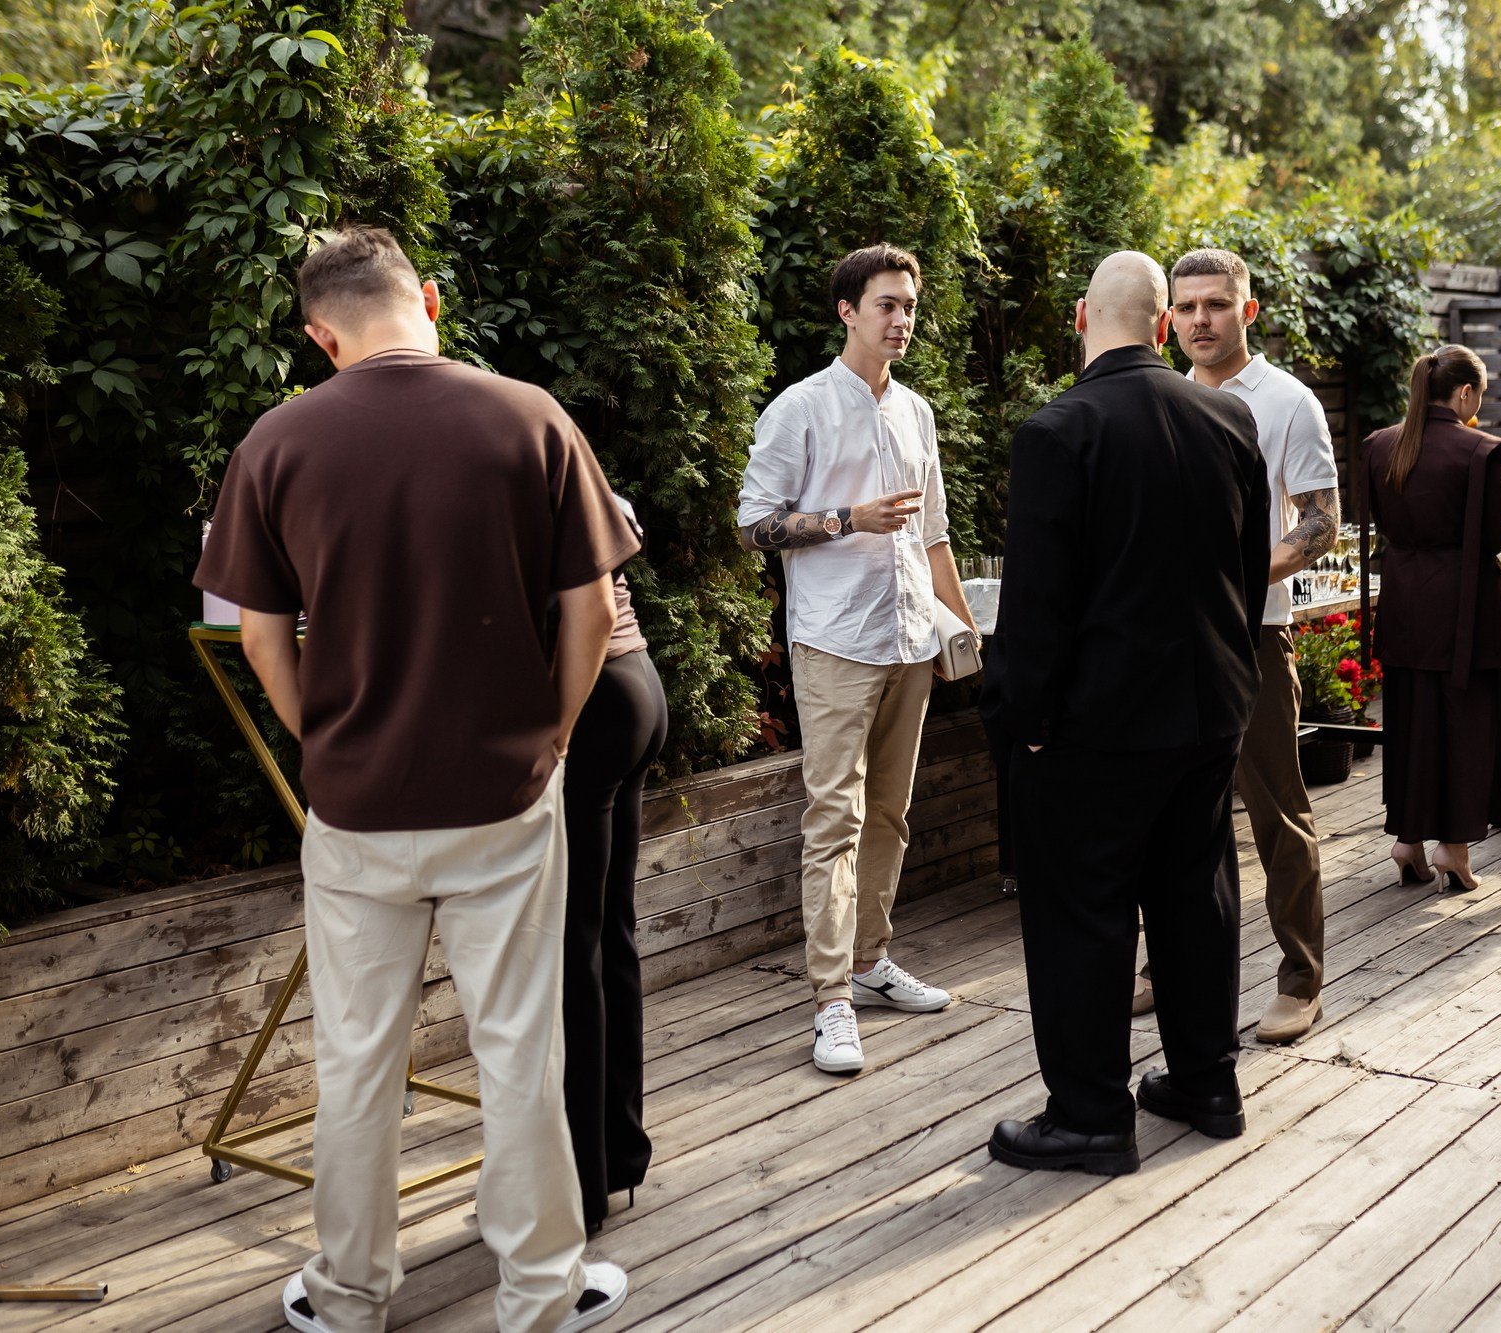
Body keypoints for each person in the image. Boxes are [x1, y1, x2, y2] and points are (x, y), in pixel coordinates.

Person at [193, 228, 628, 1333]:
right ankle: (536, 1297)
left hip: (357, 807)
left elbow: (258, 638)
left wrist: (320, 737)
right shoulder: (529, 416)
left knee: (356, 1064)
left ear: (318, 334)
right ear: (427, 298)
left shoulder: (277, 440)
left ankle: (347, 1298)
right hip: (504, 799)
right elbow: (590, 613)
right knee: (521, 1055)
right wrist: (557, 730)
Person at [985, 251, 1269, 1177]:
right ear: (1160, 323)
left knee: (1081, 914)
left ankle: (1092, 1115)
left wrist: (1022, 720)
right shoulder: (1229, 415)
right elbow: (1247, 559)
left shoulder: (1058, 431)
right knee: (1198, 896)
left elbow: (1035, 606)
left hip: (1096, 729)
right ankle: (1206, 1082)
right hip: (1212, 711)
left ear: (1080, 317)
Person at [736, 243, 981, 1076]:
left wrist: (961, 625)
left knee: (890, 813)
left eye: (909, 305)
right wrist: (847, 519)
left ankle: (873, 960)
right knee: (833, 818)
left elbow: (935, 533)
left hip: (911, 638)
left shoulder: (916, 412)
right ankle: (830, 998)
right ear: (848, 311)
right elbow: (753, 525)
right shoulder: (798, 410)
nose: (902, 319)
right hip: (835, 640)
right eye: (886, 304)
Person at [1163, 246, 1340, 1044]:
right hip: (1164, 638)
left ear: (1248, 311)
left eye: (1216, 305)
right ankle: (1157, 967)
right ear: (1168, 316)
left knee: (1277, 813)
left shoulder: (1287, 402)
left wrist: (1227, 575)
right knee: (1165, 813)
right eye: (1187, 306)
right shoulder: (1159, 396)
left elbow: (1320, 526)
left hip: (1252, 633)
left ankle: (1301, 978)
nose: (1201, 319)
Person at [1363, 345, 1501, 892]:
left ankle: (1407, 841)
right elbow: (1497, 534)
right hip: (1463, 609)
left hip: (1405, 602)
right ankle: (1453, 849)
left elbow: (1383, 522)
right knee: (1463, 726)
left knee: (1410, 722)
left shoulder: (1380, 445)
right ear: (1467, 393)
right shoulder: (1482, 449)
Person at [558, 506, 668, 1234]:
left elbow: (585, 610)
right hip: (639, 684)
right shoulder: (548, 450)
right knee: (608, 934)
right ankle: (620, 1154)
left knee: (573, 948)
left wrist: (558, 728)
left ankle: (579, 1188)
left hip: (594, 701)